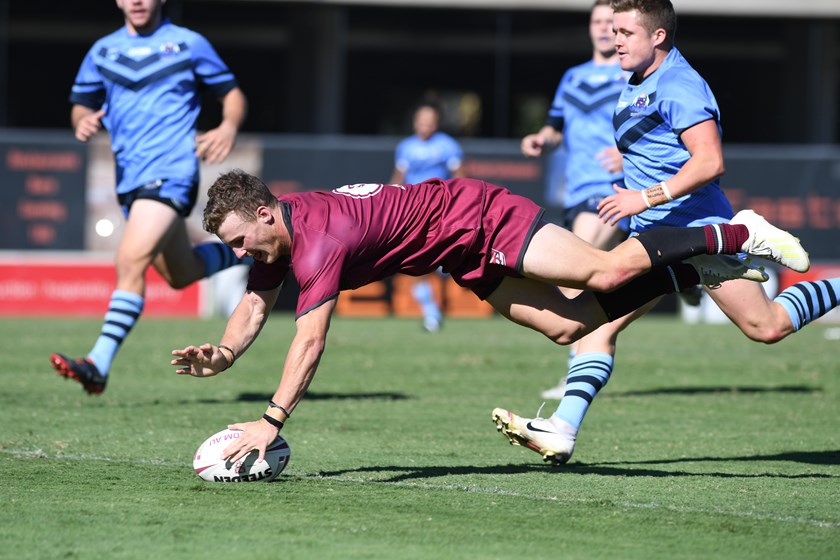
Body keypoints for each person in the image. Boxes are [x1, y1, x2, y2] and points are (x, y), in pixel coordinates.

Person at [169, 168, 805, 465]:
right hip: (458, 252)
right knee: (570, 327)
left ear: (263, 214)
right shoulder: (277, 235)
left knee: (604, 272)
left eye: (237, 240)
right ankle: (693, 272)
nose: (238, 253)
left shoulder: (321, 239)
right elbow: (256, 301)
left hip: (477, 217)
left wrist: (269, 421)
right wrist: (224, 354)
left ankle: (730, 233)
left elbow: (309, 341)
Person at [493, 0, 839, 465]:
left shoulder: (679, 84)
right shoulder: (636, 79)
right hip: (660, 233)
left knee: (760, 326)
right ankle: (562, 428)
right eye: (612, 30)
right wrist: (631, 165)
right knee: (600, 326)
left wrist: (644, 196)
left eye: (624, 32)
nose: (614, 40)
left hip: (694, 231)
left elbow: (710, 162)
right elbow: (665, 145)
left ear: (657, 36)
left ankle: (740, 235)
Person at [50, 0, 249, 395]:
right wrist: (82, 119)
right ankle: (246, 251)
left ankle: (98, 362)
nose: (137, 0)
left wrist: (228, 125)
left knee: (130, 260)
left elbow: (232, 93)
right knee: (182, 274)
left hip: (172, 171)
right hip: (129, 180)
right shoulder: (103, 50)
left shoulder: (187, 43)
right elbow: (80, 104)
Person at [521, 0, 632, 399]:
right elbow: (555, 127)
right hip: (578, 190)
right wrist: (542, 140)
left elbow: (661, 127)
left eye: (611, 23)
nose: (604, 29)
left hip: (615, 190)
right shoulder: (572, 77)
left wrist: (629, 150)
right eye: (597, 21)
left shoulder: (633, 74)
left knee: (574, 280)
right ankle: (686, 272)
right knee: (609, 279)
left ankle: (574, 376)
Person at [390, 102, 465, 332]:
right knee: (413, 262)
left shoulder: (448, 146)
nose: (425, 126)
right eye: (422, 121)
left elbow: (460, 176)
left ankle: (445, 266)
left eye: (430, 122)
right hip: (414, 213)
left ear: (436, 123)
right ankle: (431, 311)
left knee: (444, 260)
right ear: (415, 122)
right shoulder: (405, 147)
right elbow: (398, 177)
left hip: (441, 211)